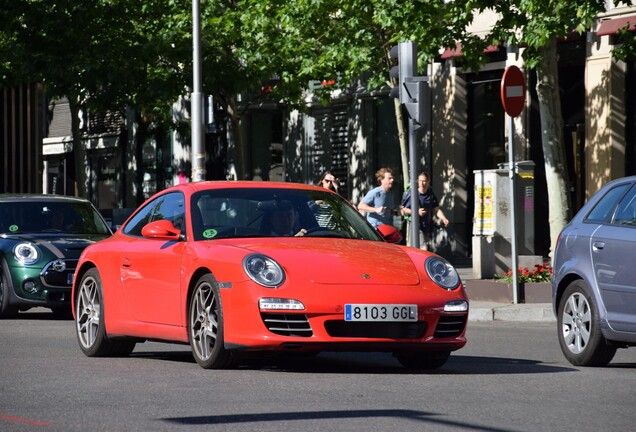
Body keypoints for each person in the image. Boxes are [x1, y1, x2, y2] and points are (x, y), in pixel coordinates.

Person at [401, 172, 449, 250]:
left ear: (428, 181)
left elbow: (436, 209)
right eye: (420, 181)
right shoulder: (413, 194)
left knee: (421, 250)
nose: (422, 183)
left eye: (424, 181)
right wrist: (416, 212)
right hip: (415, 225)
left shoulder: (430, 194)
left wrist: (443, 218)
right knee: (424, 248)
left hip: (426, 226)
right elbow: (403, 210)